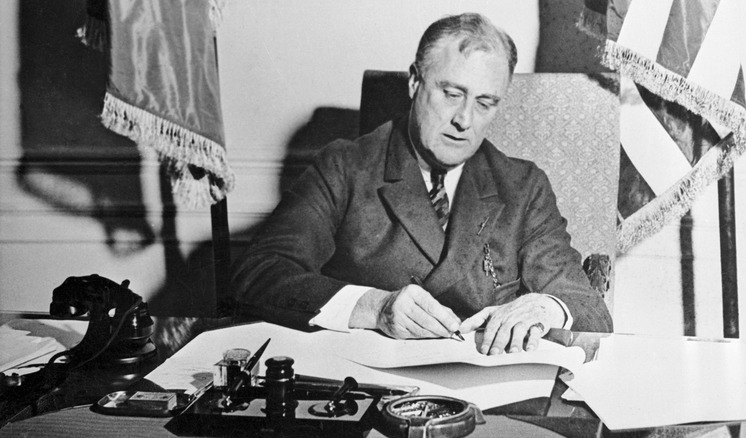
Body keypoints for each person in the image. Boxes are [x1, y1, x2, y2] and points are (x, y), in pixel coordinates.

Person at [232, 13, 613, 355]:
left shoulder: (523, 186)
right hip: (367, 390)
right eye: (452, 94)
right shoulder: (346, 167)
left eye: (485, 103)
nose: (465, 120)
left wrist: (546, 308)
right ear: (415, 81)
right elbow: (259, 274)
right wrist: (375, 308)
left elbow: (588, 307)